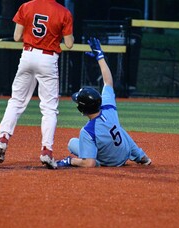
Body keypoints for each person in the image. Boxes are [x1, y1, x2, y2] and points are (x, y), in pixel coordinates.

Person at [0, 0, 74, 169]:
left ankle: (3, 139)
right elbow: (69, 43)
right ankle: (46, 151)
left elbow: (16, 37)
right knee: (49, 108)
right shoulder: (63, 12)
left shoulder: (26, 6)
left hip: (28, 55)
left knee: (16, 101)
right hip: (48, 58)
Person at [56, 37, 151, 168]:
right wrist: (100, 56)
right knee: (118, 128)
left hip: (111, 163)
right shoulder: (108, 108)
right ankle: (141, 156)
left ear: (82, 110)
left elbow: (88, 164)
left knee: (72, 143)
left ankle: (101, 162)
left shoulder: (87, 131)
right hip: (124, 153)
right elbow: (108, 82)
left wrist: (69, 161)